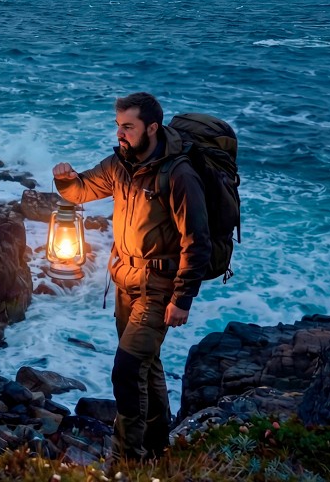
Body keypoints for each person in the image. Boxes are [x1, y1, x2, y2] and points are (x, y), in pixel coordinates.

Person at [51, 92, 211, 462]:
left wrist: (182, 299)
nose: (120, 134)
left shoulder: (179, 175)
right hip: (125, 281)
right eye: (118, 126)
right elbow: (82, 190)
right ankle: (157, 450)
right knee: (146, 366)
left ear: (152, 128)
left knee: (126, 370)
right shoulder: (120, 164)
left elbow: (197, 241)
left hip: (159, 287)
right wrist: (65, 180)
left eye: (128, 127)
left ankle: (125, 461)